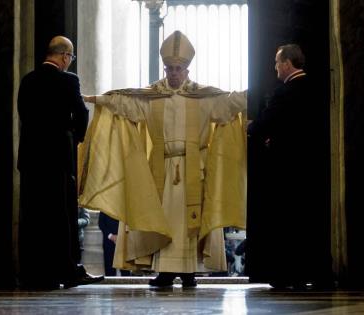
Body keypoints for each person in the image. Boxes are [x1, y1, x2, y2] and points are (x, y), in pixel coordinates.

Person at [80, 31, 247, 287]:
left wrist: (252, 91)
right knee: (163, 220)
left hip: (194, 169)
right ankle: (166, 272)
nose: (173, 73)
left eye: (178, 68)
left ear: (187, 69)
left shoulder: (203, 98)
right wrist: (99, 100)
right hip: (163, 168)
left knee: (191, 223)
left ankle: (190, 272)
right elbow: (126, 104)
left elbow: (229, 104)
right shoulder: (152, 97)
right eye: (169, 68)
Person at [17, 36, 103, 289]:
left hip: (32, 159)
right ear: (65, 56)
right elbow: (82, 112)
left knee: (34, 214)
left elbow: (24, 114)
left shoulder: (27, 80)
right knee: (61, 215)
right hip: (58, 158)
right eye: (71, 57)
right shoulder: (68, 80)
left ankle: (34, 274)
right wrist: (73, 138)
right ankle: (66, 271)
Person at [247, 44, 332, 289]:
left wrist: (251, 128)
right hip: (313, 166)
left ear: (286, 63)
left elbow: (269, 121)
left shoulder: (285, 92)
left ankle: (289, 274)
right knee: (311, 221)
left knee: (289, 221)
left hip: (288, 168)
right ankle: (317, 273)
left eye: (277, 62)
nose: (275, 67)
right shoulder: (317, 88)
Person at [98, 212, 130, 276]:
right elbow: (101, 223)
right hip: (108, 243)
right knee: (109, 271)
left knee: (126, 272)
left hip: (124, 241)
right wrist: (111, 236)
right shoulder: (105, 205)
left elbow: (130, 222)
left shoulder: (126, 204)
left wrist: (121, 236)